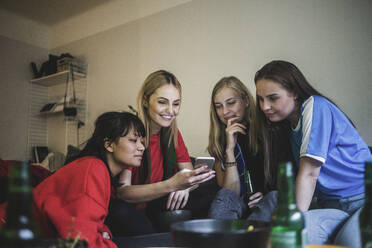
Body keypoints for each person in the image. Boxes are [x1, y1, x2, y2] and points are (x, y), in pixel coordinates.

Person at [0, 112, 148, 248]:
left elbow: (85, 219)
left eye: (142, 141)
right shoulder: (93, 168)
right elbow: (81, 239)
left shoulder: (98, 170)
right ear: (109, 145)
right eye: (133, 140)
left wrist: (104, 232)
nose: (141, 147)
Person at [254, 60, 372, 215]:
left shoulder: (316, 106)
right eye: (261, 99)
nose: (264, 107)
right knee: (272, 200)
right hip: (328, 202)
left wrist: (294, 225)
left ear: (295, 92)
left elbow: (309, 174)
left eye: (273, 98)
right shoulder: (287, 125)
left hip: (361, 199)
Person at [109, 70, 216, 235]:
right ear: (146, 101)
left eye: (176, 103)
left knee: (214, 189)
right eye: (162, 102)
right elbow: (123, 192)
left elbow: (189, 173)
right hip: (135, 203)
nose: (170, 110)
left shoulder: (172, 133)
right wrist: (172, 185)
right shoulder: (132, 133)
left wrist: (184, 187)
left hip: (158, 201)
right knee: (120, 211)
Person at [207, 76, 265, 219]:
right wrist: (229, 150)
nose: (225, 112)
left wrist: (266, 193)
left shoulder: (265, 129)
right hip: (237, 203)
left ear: (245, 100)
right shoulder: (219, 140)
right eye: (219, 106)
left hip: (264, 200)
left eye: (231, 103)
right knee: (224, 197)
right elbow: (229, 193)